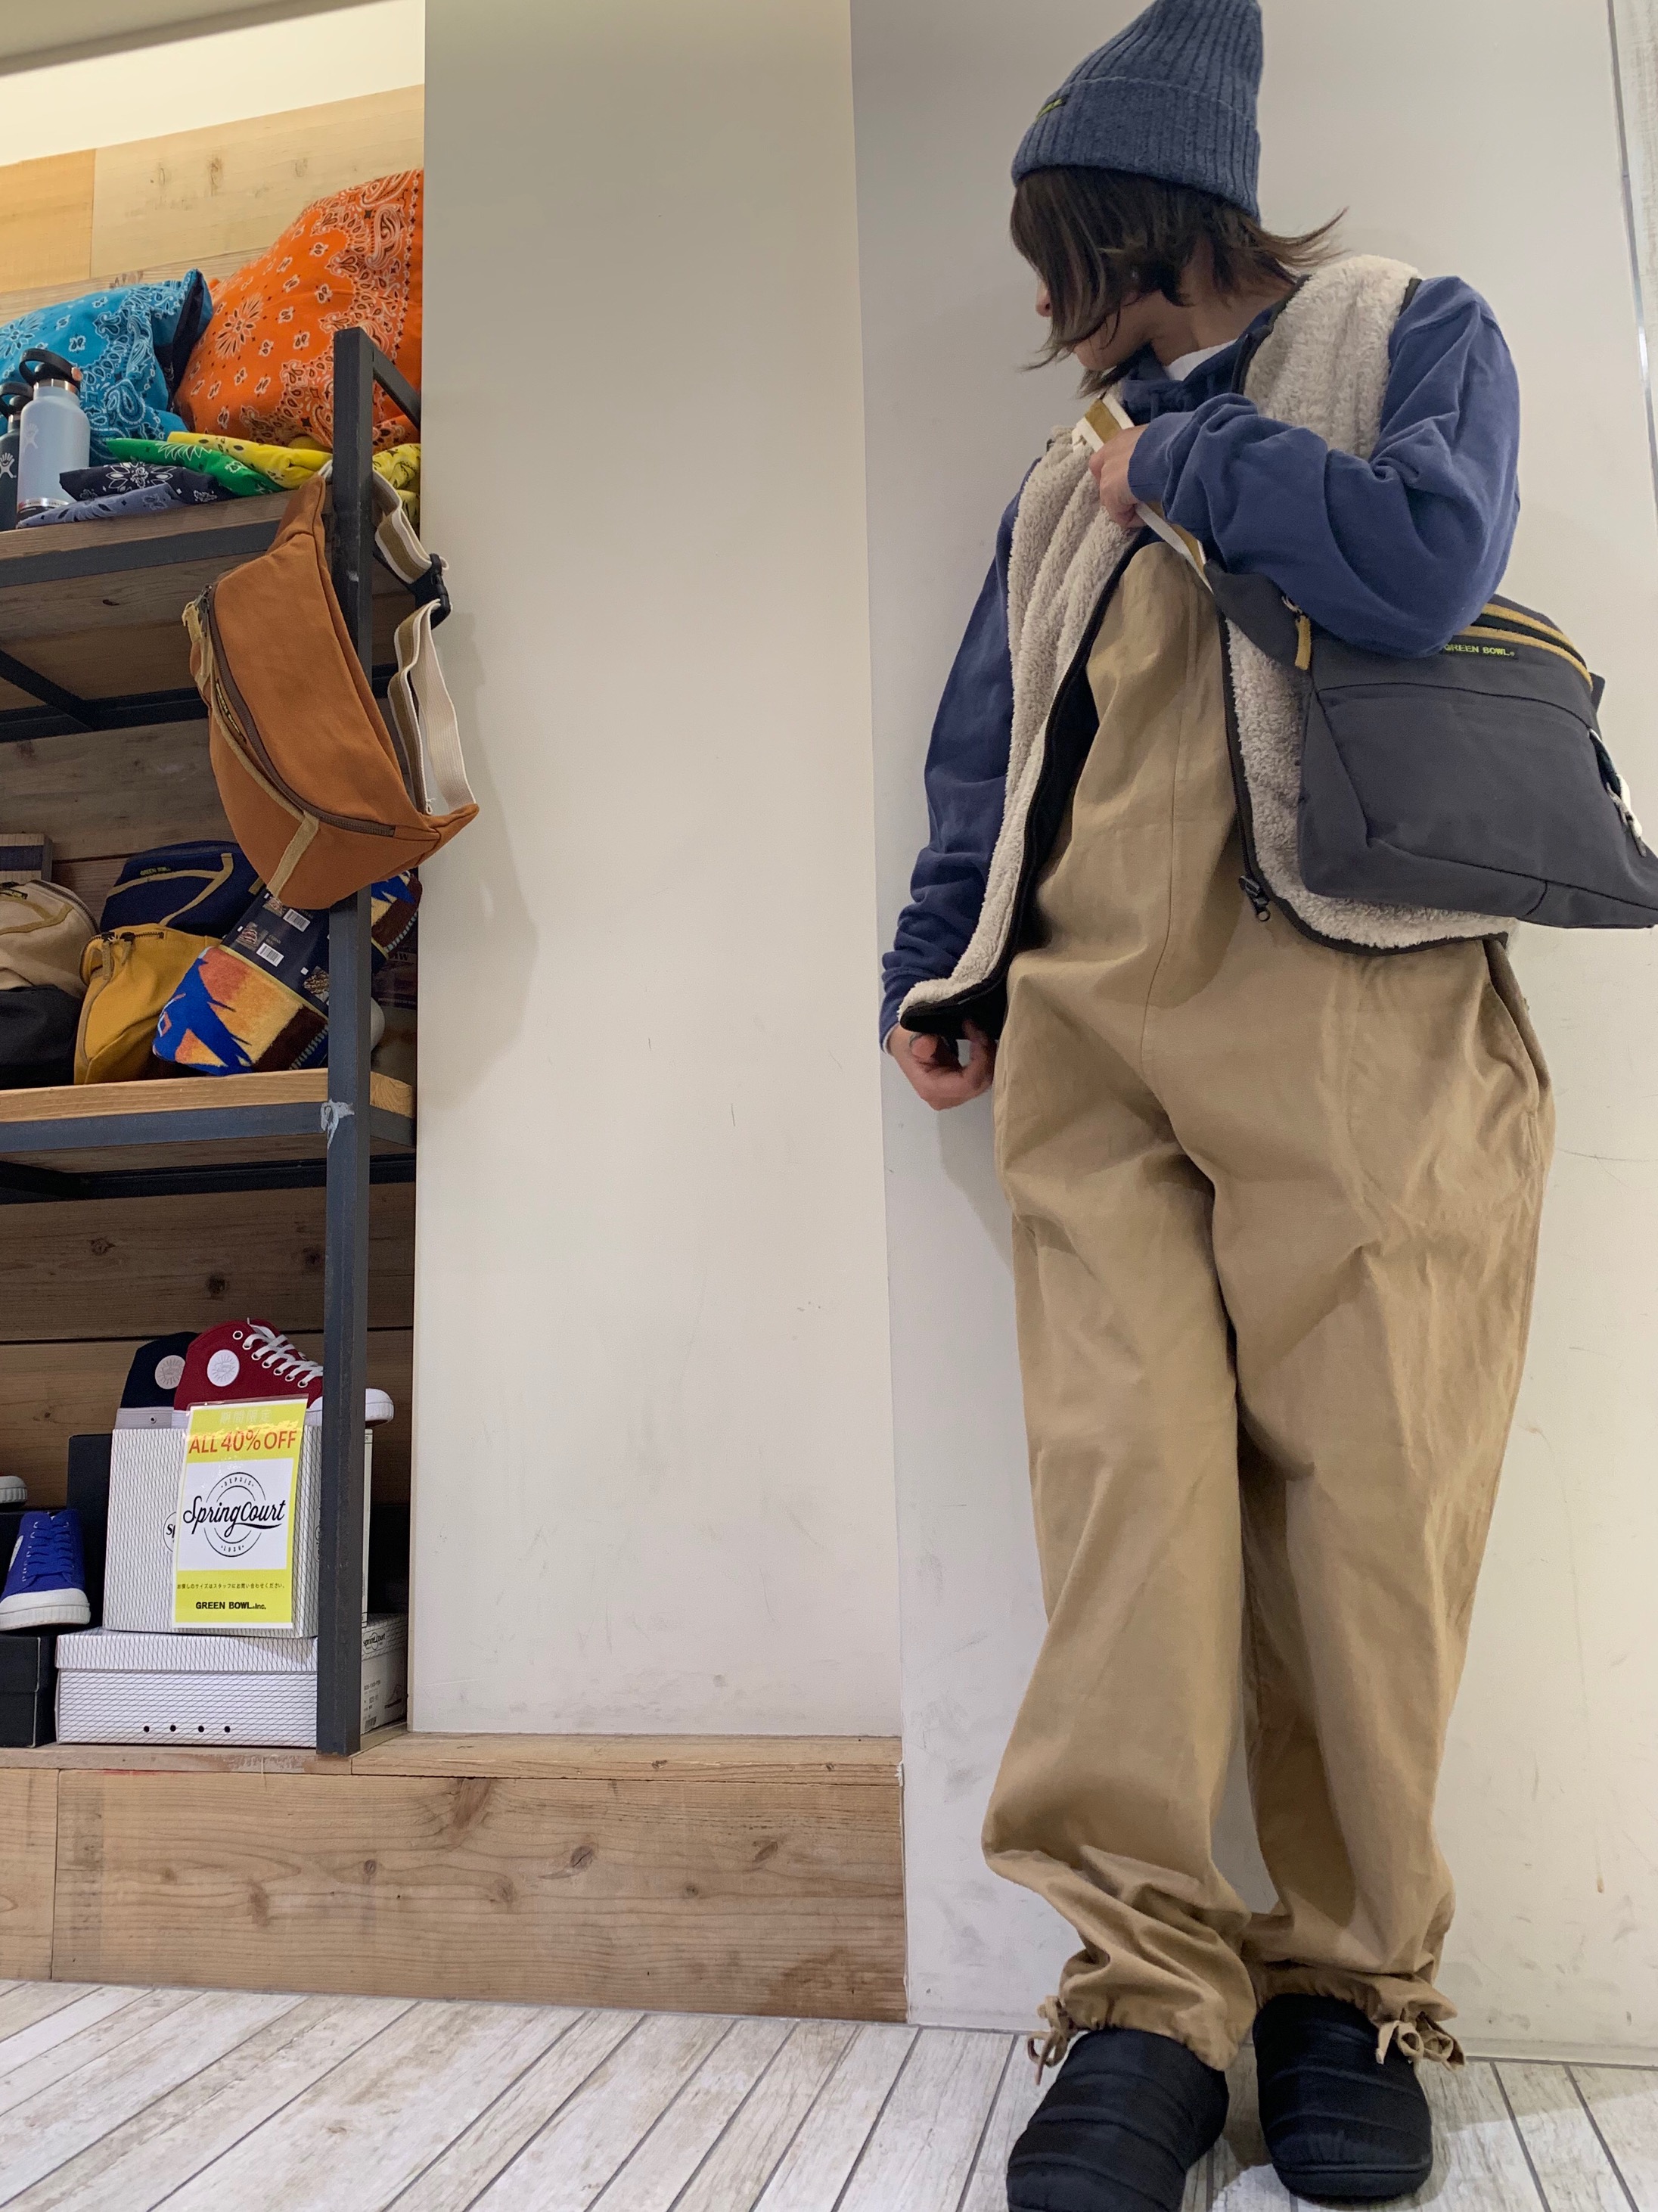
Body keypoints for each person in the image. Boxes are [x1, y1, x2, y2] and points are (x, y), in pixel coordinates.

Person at [880, 2, 1554, 2206]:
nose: (1055, 312)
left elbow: (1426, 565)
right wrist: (937, 961)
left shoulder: (1409, 331)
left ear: (1129, 220)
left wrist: (1184, 466)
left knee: (1371, 1507)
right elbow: (996, 740)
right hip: (1095, 1029)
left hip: (1359, 1014)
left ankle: (1351, 1987)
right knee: (1128, 1503)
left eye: (1061, 258)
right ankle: (1143, 2001)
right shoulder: (1059, 467)